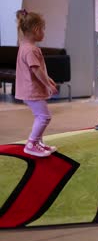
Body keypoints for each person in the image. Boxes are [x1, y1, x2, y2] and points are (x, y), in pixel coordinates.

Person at [15, 9, 58, 158]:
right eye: (43, 29)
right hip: (32, 90)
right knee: (44, 117)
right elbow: (36, 71)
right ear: (36, 30)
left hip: (29, 89)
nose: (44, 32)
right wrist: (48, 85)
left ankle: (38, 142)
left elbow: (39, 69)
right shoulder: (31, 50)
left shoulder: (25, 46)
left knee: (41, 116)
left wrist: (48, 79)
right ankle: (31, 143)